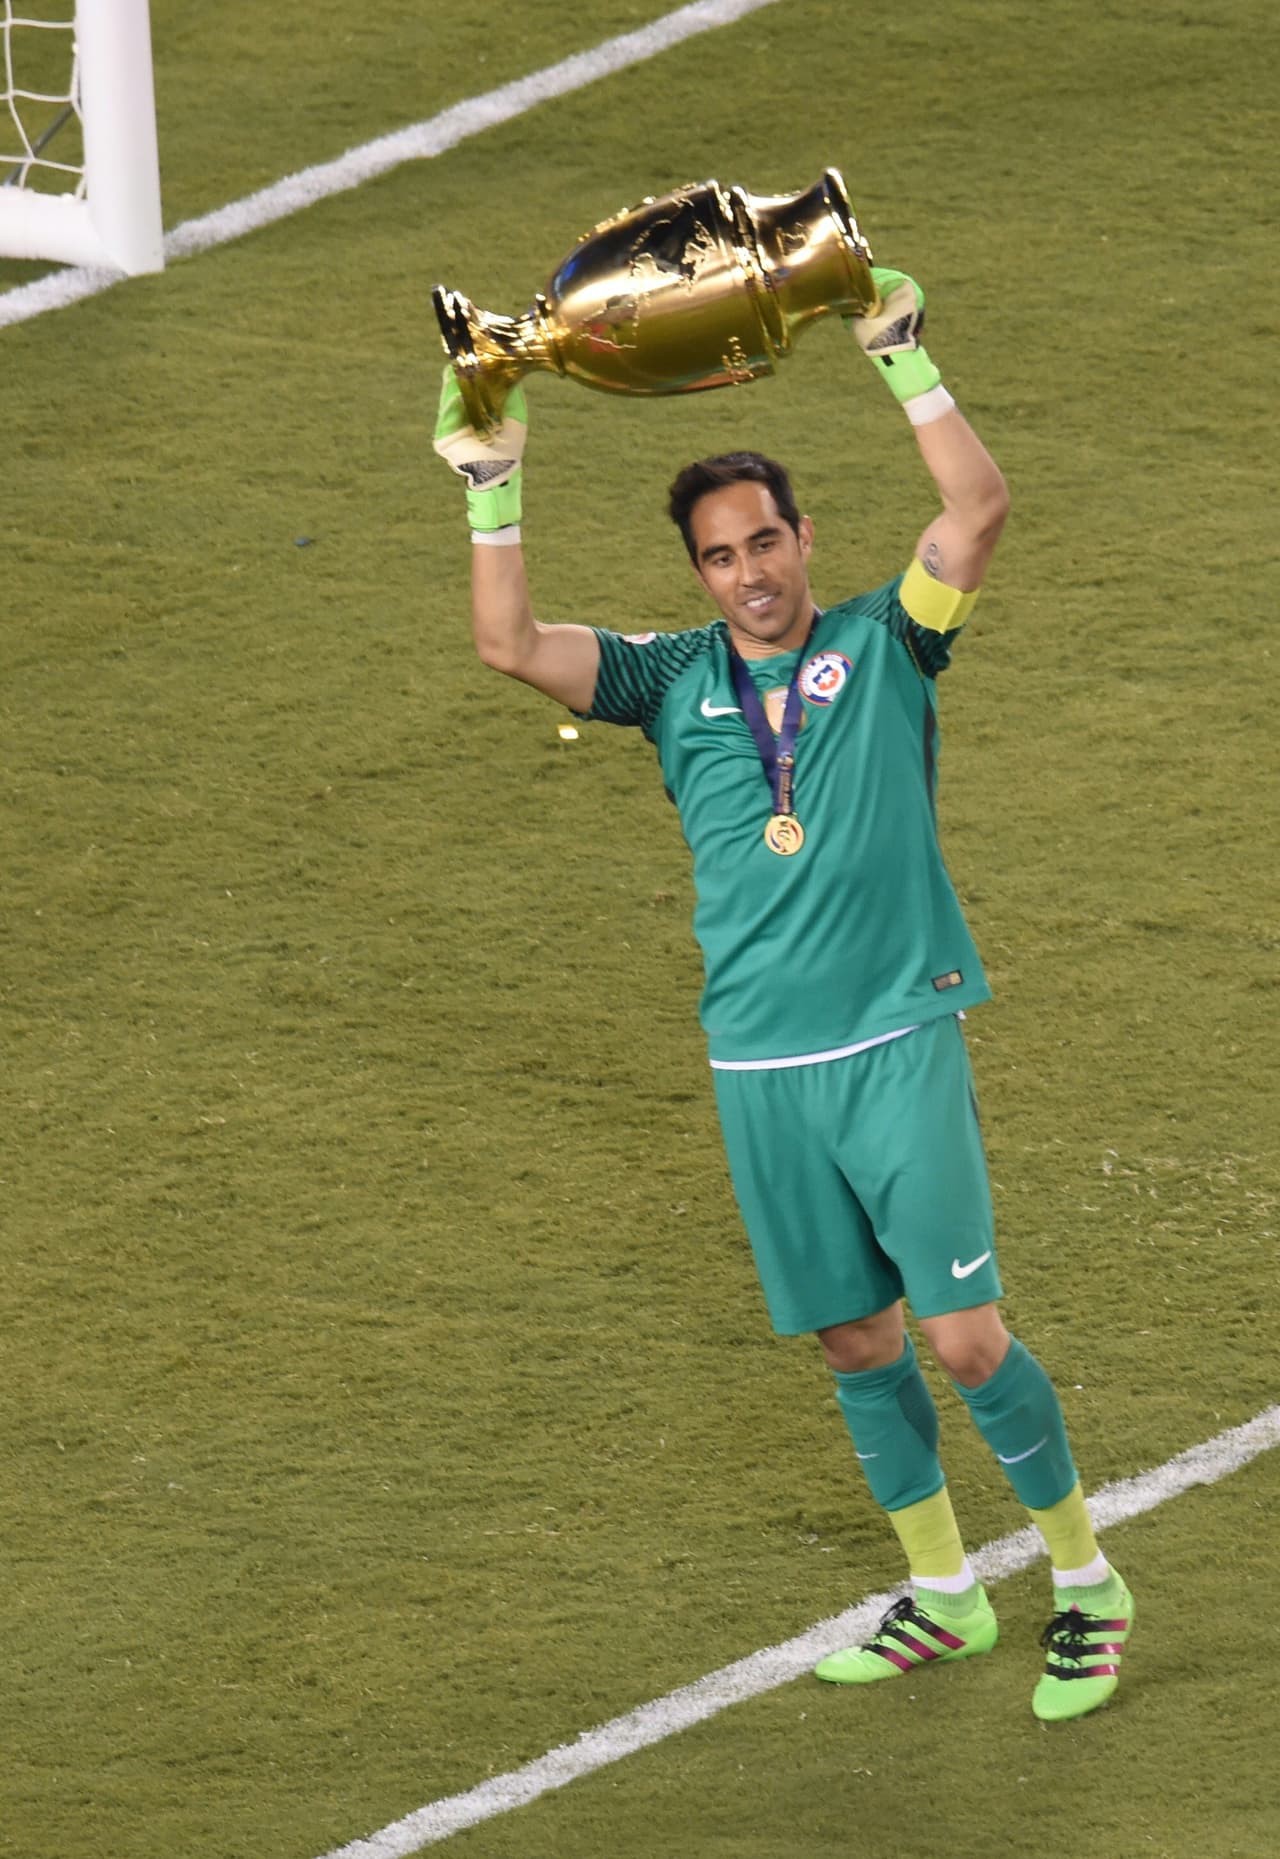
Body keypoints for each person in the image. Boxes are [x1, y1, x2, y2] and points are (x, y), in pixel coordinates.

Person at [433, 268, 1135, 1721]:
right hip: (759, 1065)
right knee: (854, 1342)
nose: (750, 572)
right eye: (719, 555)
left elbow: (979, 511)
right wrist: (492, 480)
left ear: (807, 538)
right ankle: (947, 1596)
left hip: (895, 1038)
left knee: (961, 1337)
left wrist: (897, 353)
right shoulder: (666, 680)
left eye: (767, 542)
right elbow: (508, 645)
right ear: (694, 572)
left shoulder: (891, 639)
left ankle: (1083, 1579)